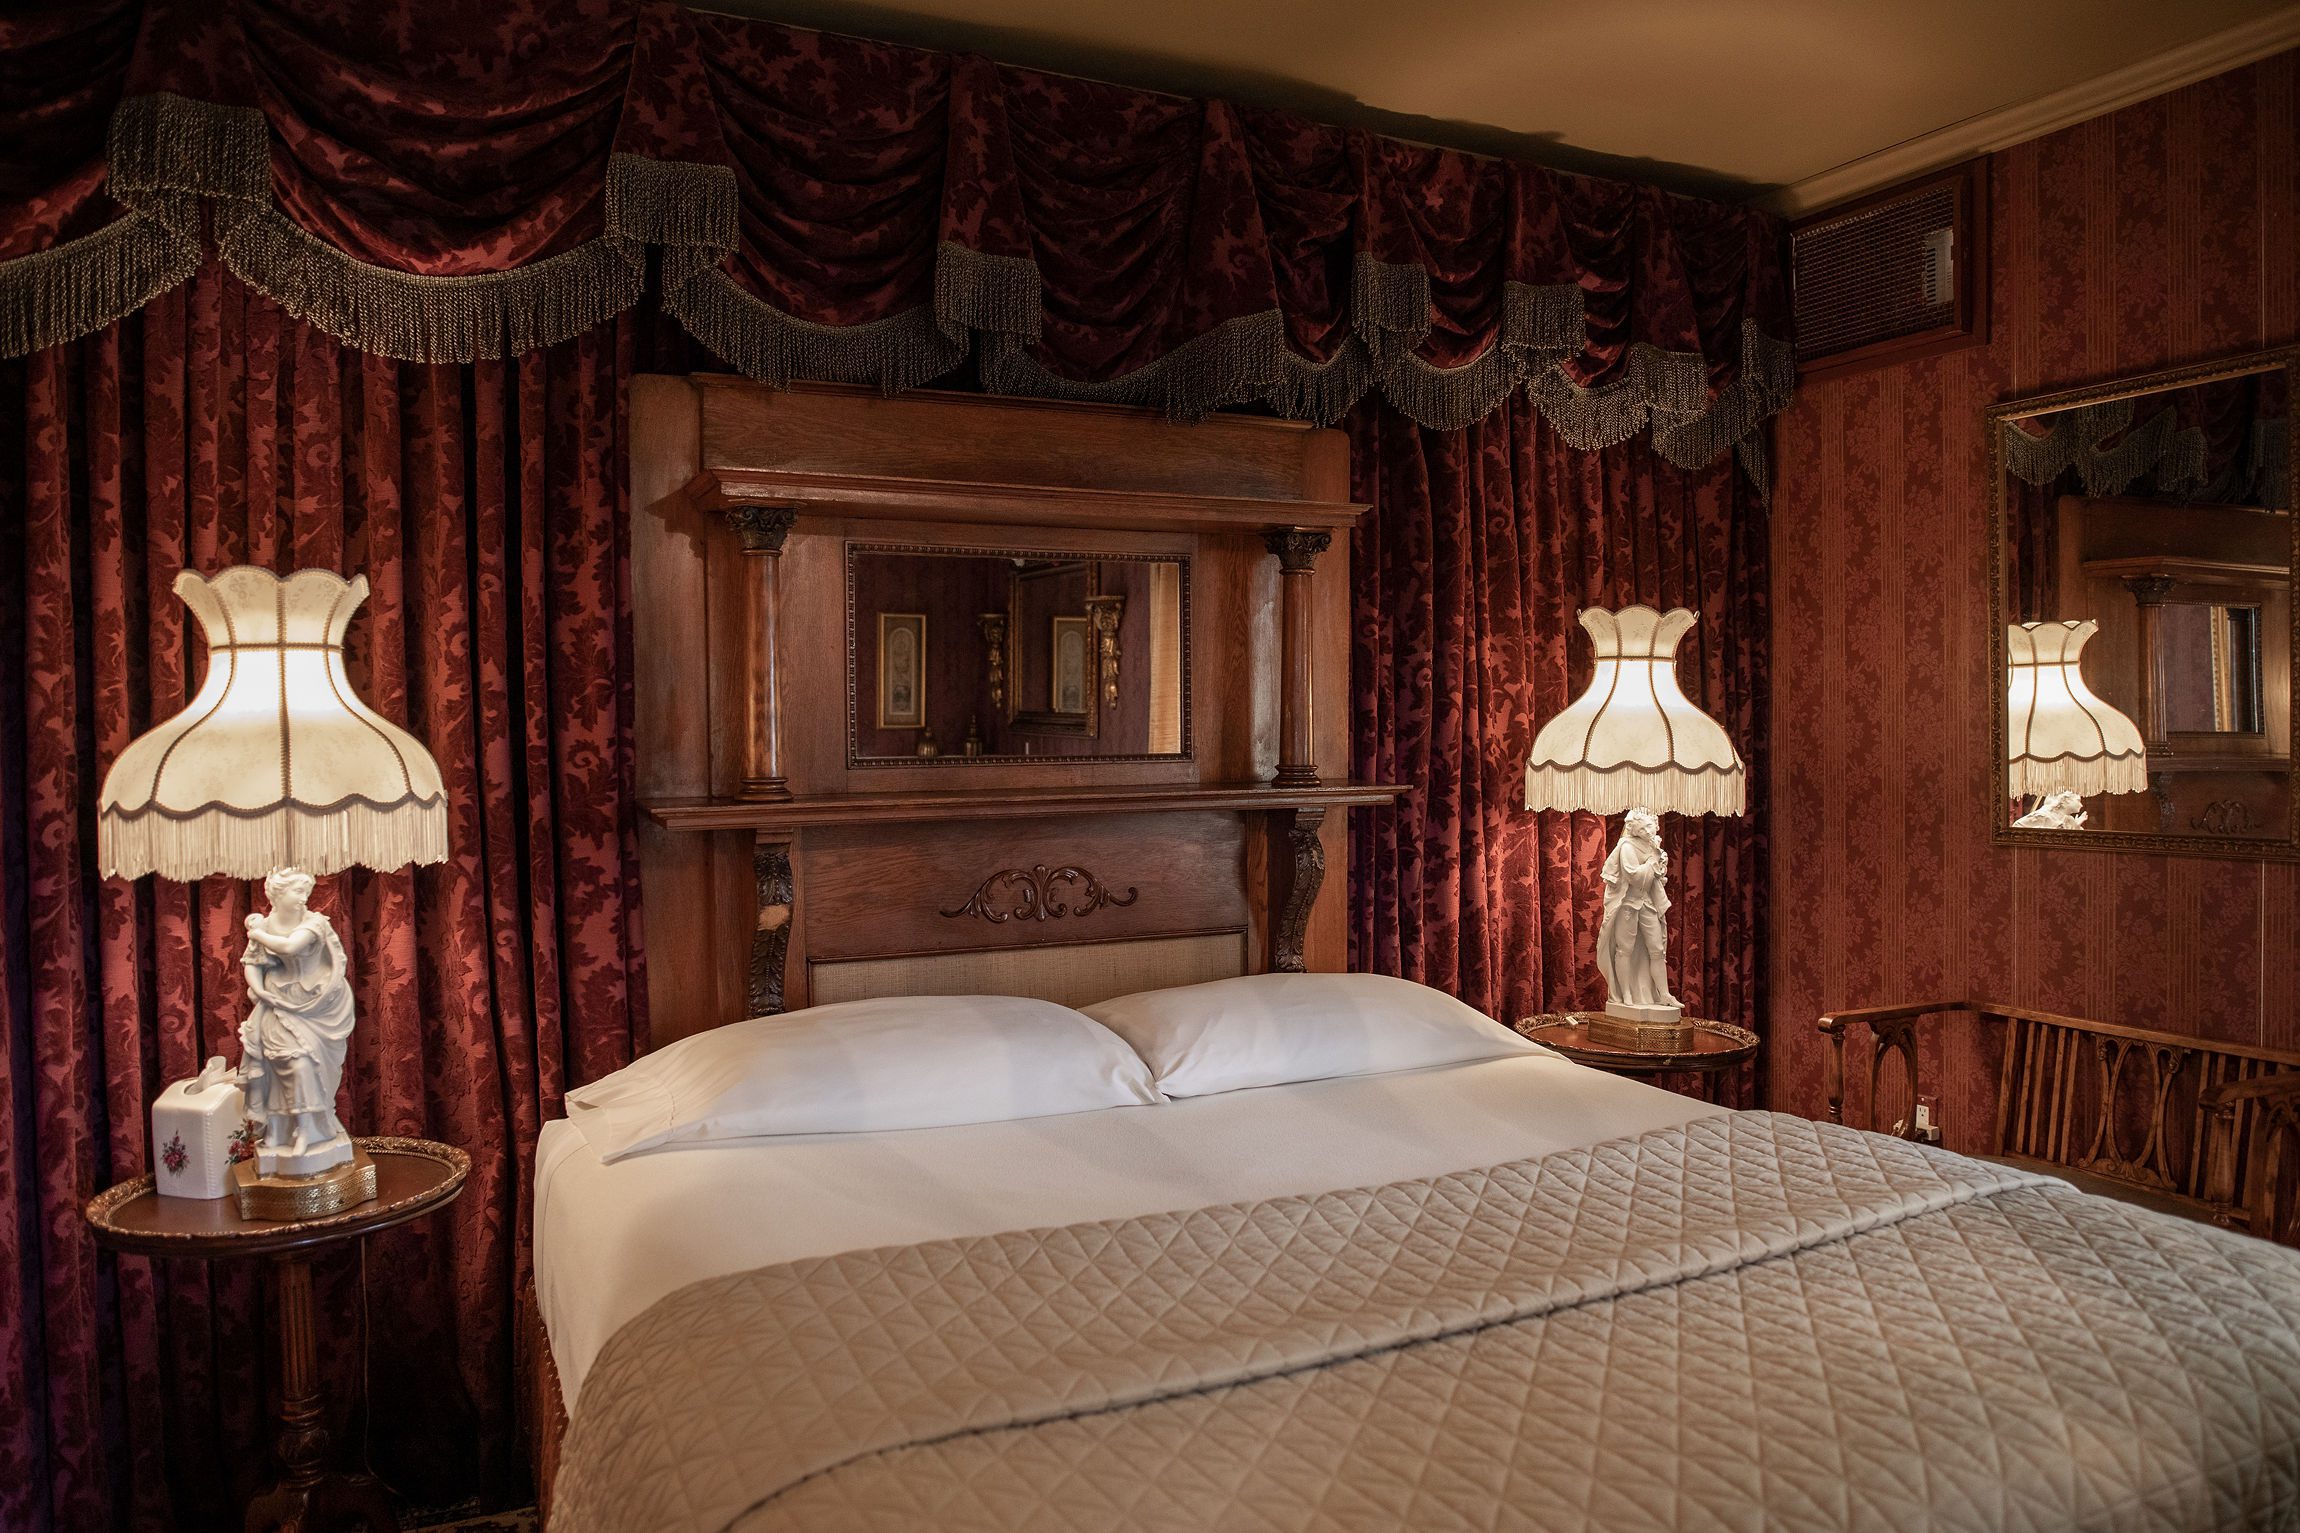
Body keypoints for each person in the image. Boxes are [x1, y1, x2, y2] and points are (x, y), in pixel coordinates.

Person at [239, 867, 357, 1173]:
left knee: (308, 1065)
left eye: (307, 892)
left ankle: (311, 1130)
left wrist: (257, 933)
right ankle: (281, 1129)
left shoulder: (313, 922)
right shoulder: (266, 923)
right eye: (297, 892)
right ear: (277, 894)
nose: (304, 898)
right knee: (282, 1065)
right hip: (278, 1003)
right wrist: (261, 991)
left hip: (319, 1006)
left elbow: (290, 946)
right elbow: (252, 963)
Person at [1597, 808, 1678, 1014]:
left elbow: (1657, 876)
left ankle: (1664, 994)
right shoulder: (1626, 847)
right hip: (1628, 905)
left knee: (1657, 949)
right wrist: (1652, 862)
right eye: (1647, 826)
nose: (1653, 829)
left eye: (1653, 824)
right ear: (1637, 829)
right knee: (1625, 949)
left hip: (1648, 904)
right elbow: (1634, 876)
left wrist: (1660, 862)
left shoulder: (1653, 846)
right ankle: (1626, 994)